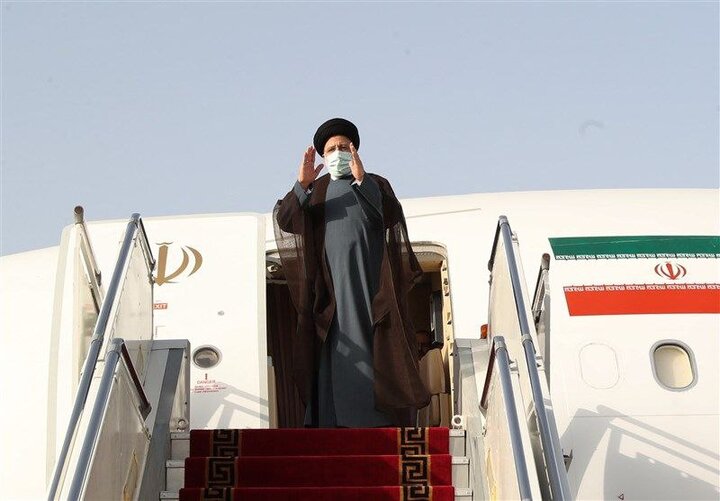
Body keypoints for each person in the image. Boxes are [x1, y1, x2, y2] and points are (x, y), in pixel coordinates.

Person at [273, 118, 430, 428]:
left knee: (375, 345)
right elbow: (286, 221)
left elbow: (388, 216)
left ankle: (375, 420)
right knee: (335, 346)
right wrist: (301, 185)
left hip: (370, 285)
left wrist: (361, 180)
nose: (338, 153)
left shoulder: (375, 183)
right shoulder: (317, 190)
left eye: (344, 147)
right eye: (331, 149)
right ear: (322, 155)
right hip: (330, 289)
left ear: (355, 150)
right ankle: (330, 421)